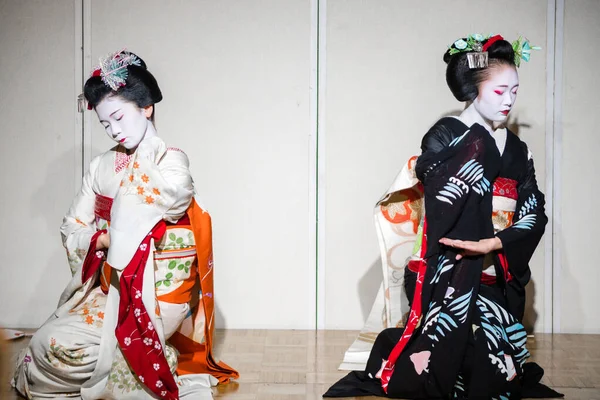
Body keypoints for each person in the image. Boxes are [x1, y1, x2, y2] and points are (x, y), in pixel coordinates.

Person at [326, 34, 562, 399]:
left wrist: (495, 241)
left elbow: (535, 212)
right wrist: (477, 144)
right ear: (474, 89)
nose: (509, 101)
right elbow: (435, 188)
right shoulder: (445, 134)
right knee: (440, 368)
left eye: (515, 91)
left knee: (492, 372)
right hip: (451, 269)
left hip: (497, 268)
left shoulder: (518, 150)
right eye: (499, 91)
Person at [13, 50, 238, 399]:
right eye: (105, 124)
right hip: (111, 287)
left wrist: (143, 164)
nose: (114, 130)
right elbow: (71, 225)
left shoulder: (169, 158)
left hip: (155, 296)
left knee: (71, 352)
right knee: (44, 346)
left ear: (146, 107)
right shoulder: (101, 166)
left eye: (118, 117)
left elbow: (174, 198)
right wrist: (102, 239)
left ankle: (152, 355)